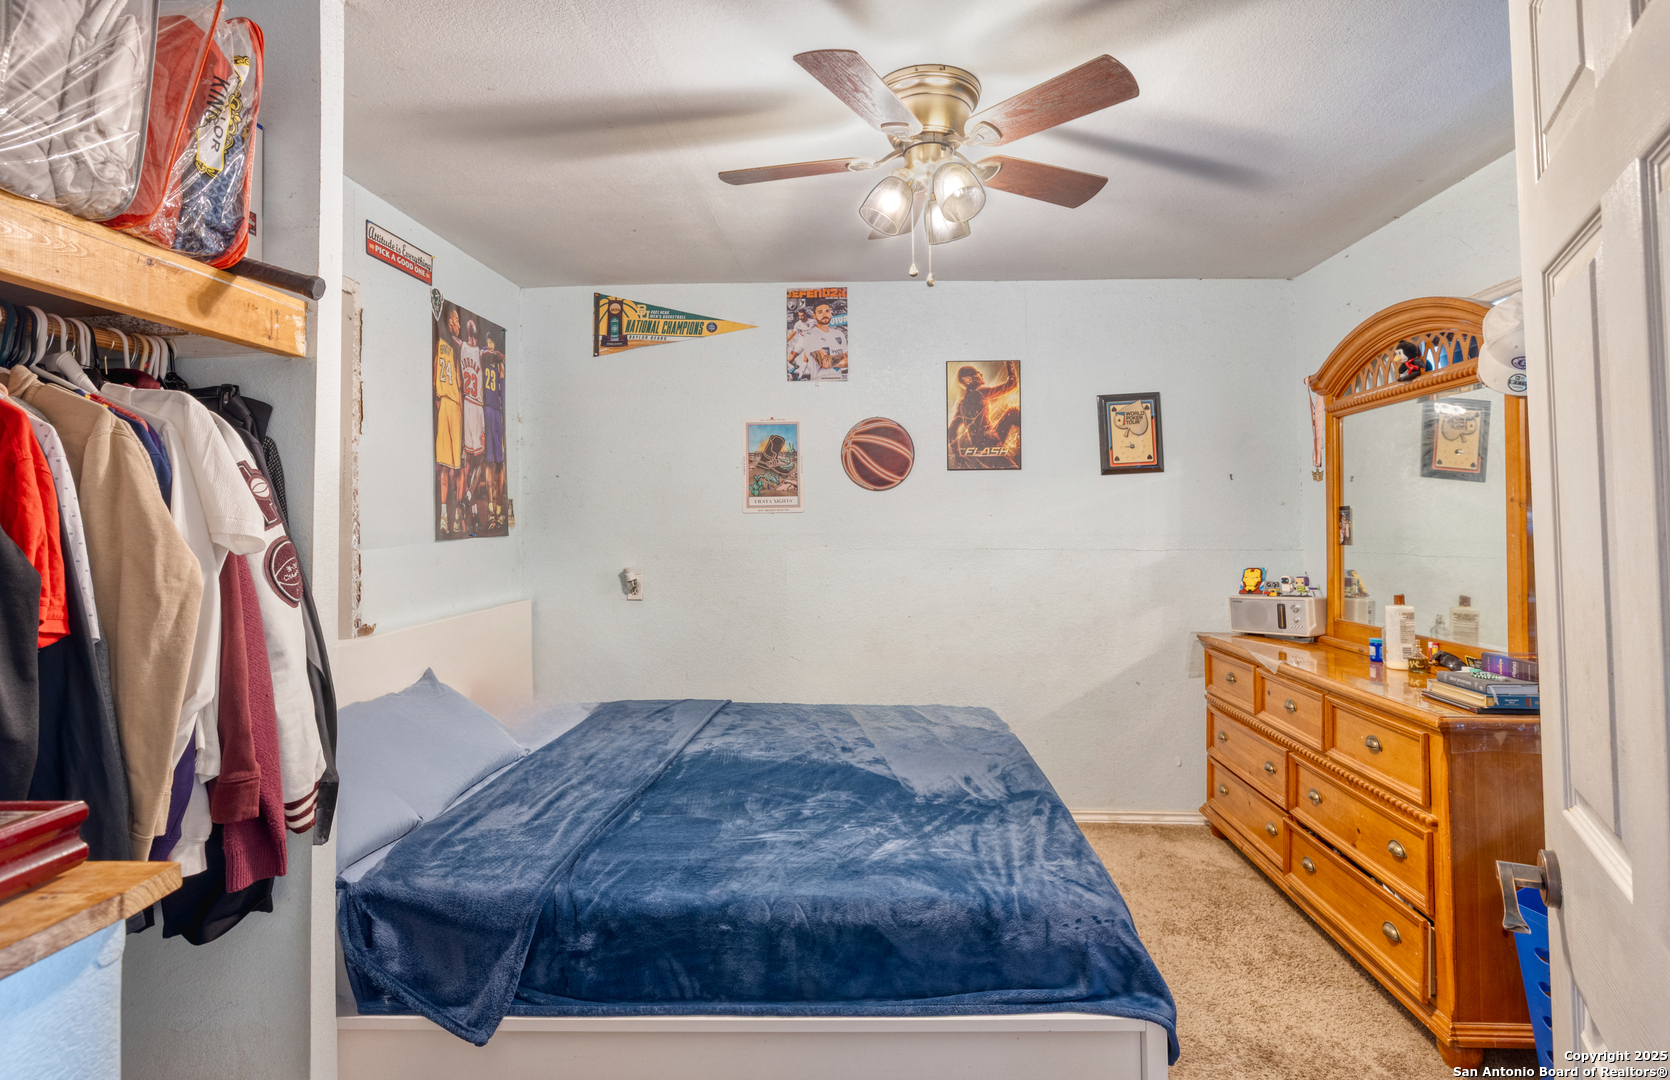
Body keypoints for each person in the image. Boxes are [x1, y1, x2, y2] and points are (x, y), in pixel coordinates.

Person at [947, 362, 1019, 463]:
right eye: (977, 373)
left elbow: (951, 430)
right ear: (969, 379)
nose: (981, 374)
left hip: (984, 449)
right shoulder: (979, 393)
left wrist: (957, 455)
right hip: (990, 447)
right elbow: (1012, 385)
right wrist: (1010, 363)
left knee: (1013, 412)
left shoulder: (962, 404)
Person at [433, 305, 464, 535]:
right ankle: (449, 517)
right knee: (453, 468)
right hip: (452, 405)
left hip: (443, 404)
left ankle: (450, 516)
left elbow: (435, 381)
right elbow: (460, 386)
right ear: (449, 322)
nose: (458, 324)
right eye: (455, 320)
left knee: (449, 468)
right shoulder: (453, 346)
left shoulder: (439, 346)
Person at [457, 318, 487, 532]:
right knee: (479, 463)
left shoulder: (461, 346)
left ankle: (474, 514)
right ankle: (467, 498)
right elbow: (495, 354)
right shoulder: (481, 352)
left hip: (466, 405)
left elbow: (453, 337)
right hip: (476, 407)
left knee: (471, 467)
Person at [788, 303, 847, 381]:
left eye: (827, 311)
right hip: (820, 383)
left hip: (839, 381)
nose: (824, 314)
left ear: (831, 313)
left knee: (805, 359)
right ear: (814, 315)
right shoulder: (809, 335)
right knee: (791, 358)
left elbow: (851, 360)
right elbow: (825, 363)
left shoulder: (839, 334)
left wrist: (829, 358)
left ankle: (800, 375)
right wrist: (842, 356)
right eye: (820, 312)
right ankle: (798, 371)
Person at [482, 339, 506, 530]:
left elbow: (504, 392)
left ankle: (498, 509)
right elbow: (486, 354)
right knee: (489, 462)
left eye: (493, 341)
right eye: (489, 341)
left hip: (498, 413)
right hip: (486, 410)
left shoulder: (500, 365)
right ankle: (491, 509)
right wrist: (497, 354)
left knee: (500, 462)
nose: (491, 344)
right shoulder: (484, 354)